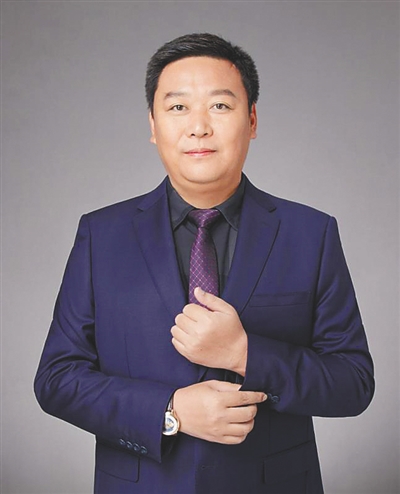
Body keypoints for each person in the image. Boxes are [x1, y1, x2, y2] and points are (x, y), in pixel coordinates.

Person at [34, 33, 374, 494]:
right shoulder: (101, 235)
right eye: (178, 107)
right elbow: (57, 379)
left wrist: (245, 353)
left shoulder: (310, 234)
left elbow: (353, 382)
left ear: (251, 120)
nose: (198, 127)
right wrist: (170, 411)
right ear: (153, 124)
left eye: (219, 106)